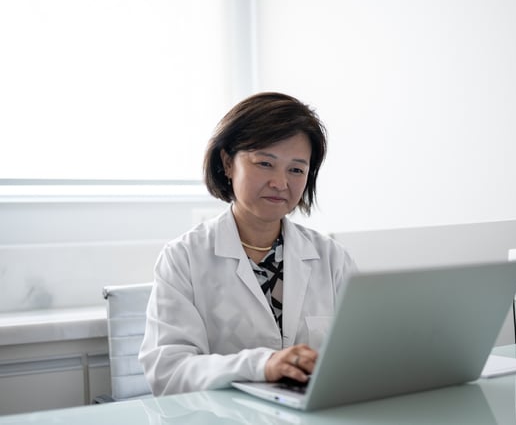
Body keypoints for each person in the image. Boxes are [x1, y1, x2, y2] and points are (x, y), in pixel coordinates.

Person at [139, 92, 358, 396]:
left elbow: (359, 357)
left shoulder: (333, 258)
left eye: (296, 169)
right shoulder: (184, 257)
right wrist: (261, 365)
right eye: (265, 163)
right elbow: (169, 372)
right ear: (228, 163)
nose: (281, 183)